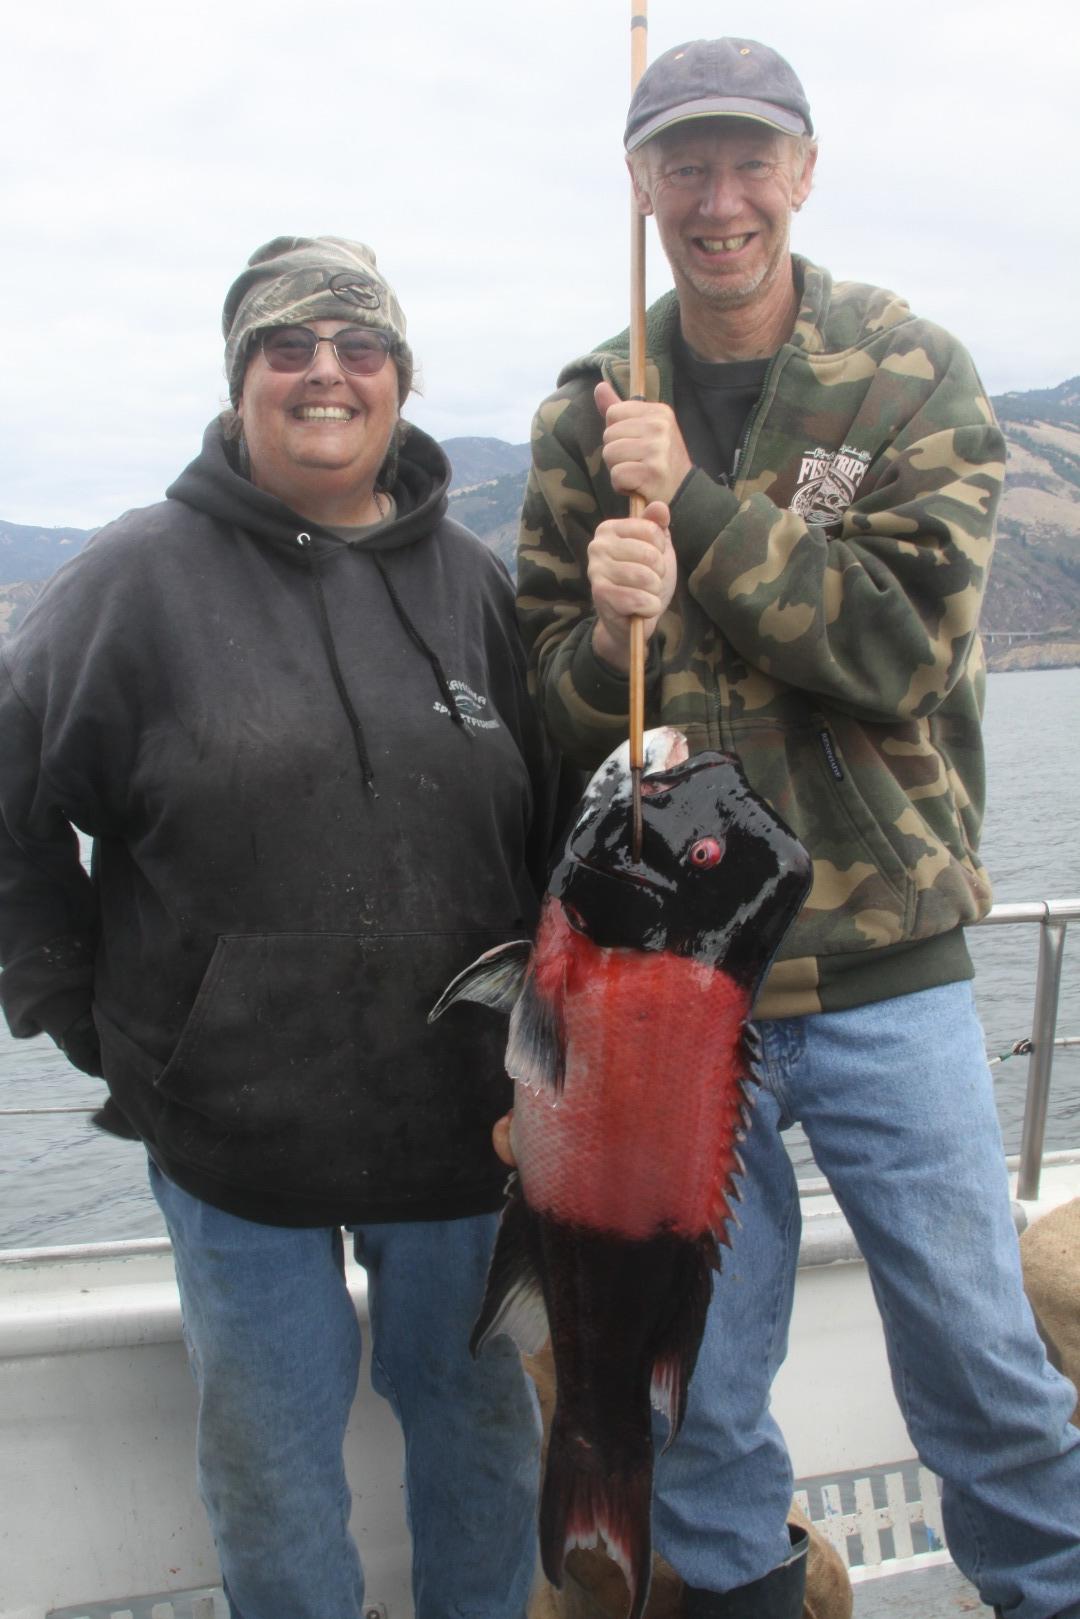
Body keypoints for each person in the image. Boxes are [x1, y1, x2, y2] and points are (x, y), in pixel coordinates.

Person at [515, 37, 1080, 1619]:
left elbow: (899, 651)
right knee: (695, 1384)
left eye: (750, 160)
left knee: (978, 1352)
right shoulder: (581, 420)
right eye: (682, 165)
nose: (718, 199)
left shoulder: (910, 374)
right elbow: (553, 715)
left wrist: (693, 508)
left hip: (887, 968)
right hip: (671, 999)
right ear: (639, 187)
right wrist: (593, 634)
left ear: (805, 172)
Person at [0, 235, 549, 1619]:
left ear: (401, 381)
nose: (324, 374)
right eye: (285, 349)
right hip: (232, 1127)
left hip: (458, 1121)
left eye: (358, 348)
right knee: (272, 1463)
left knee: (483, 1431)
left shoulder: (475, 586)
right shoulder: (132, 582)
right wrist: (74, 1004)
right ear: (240, 380)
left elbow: (547, 835)